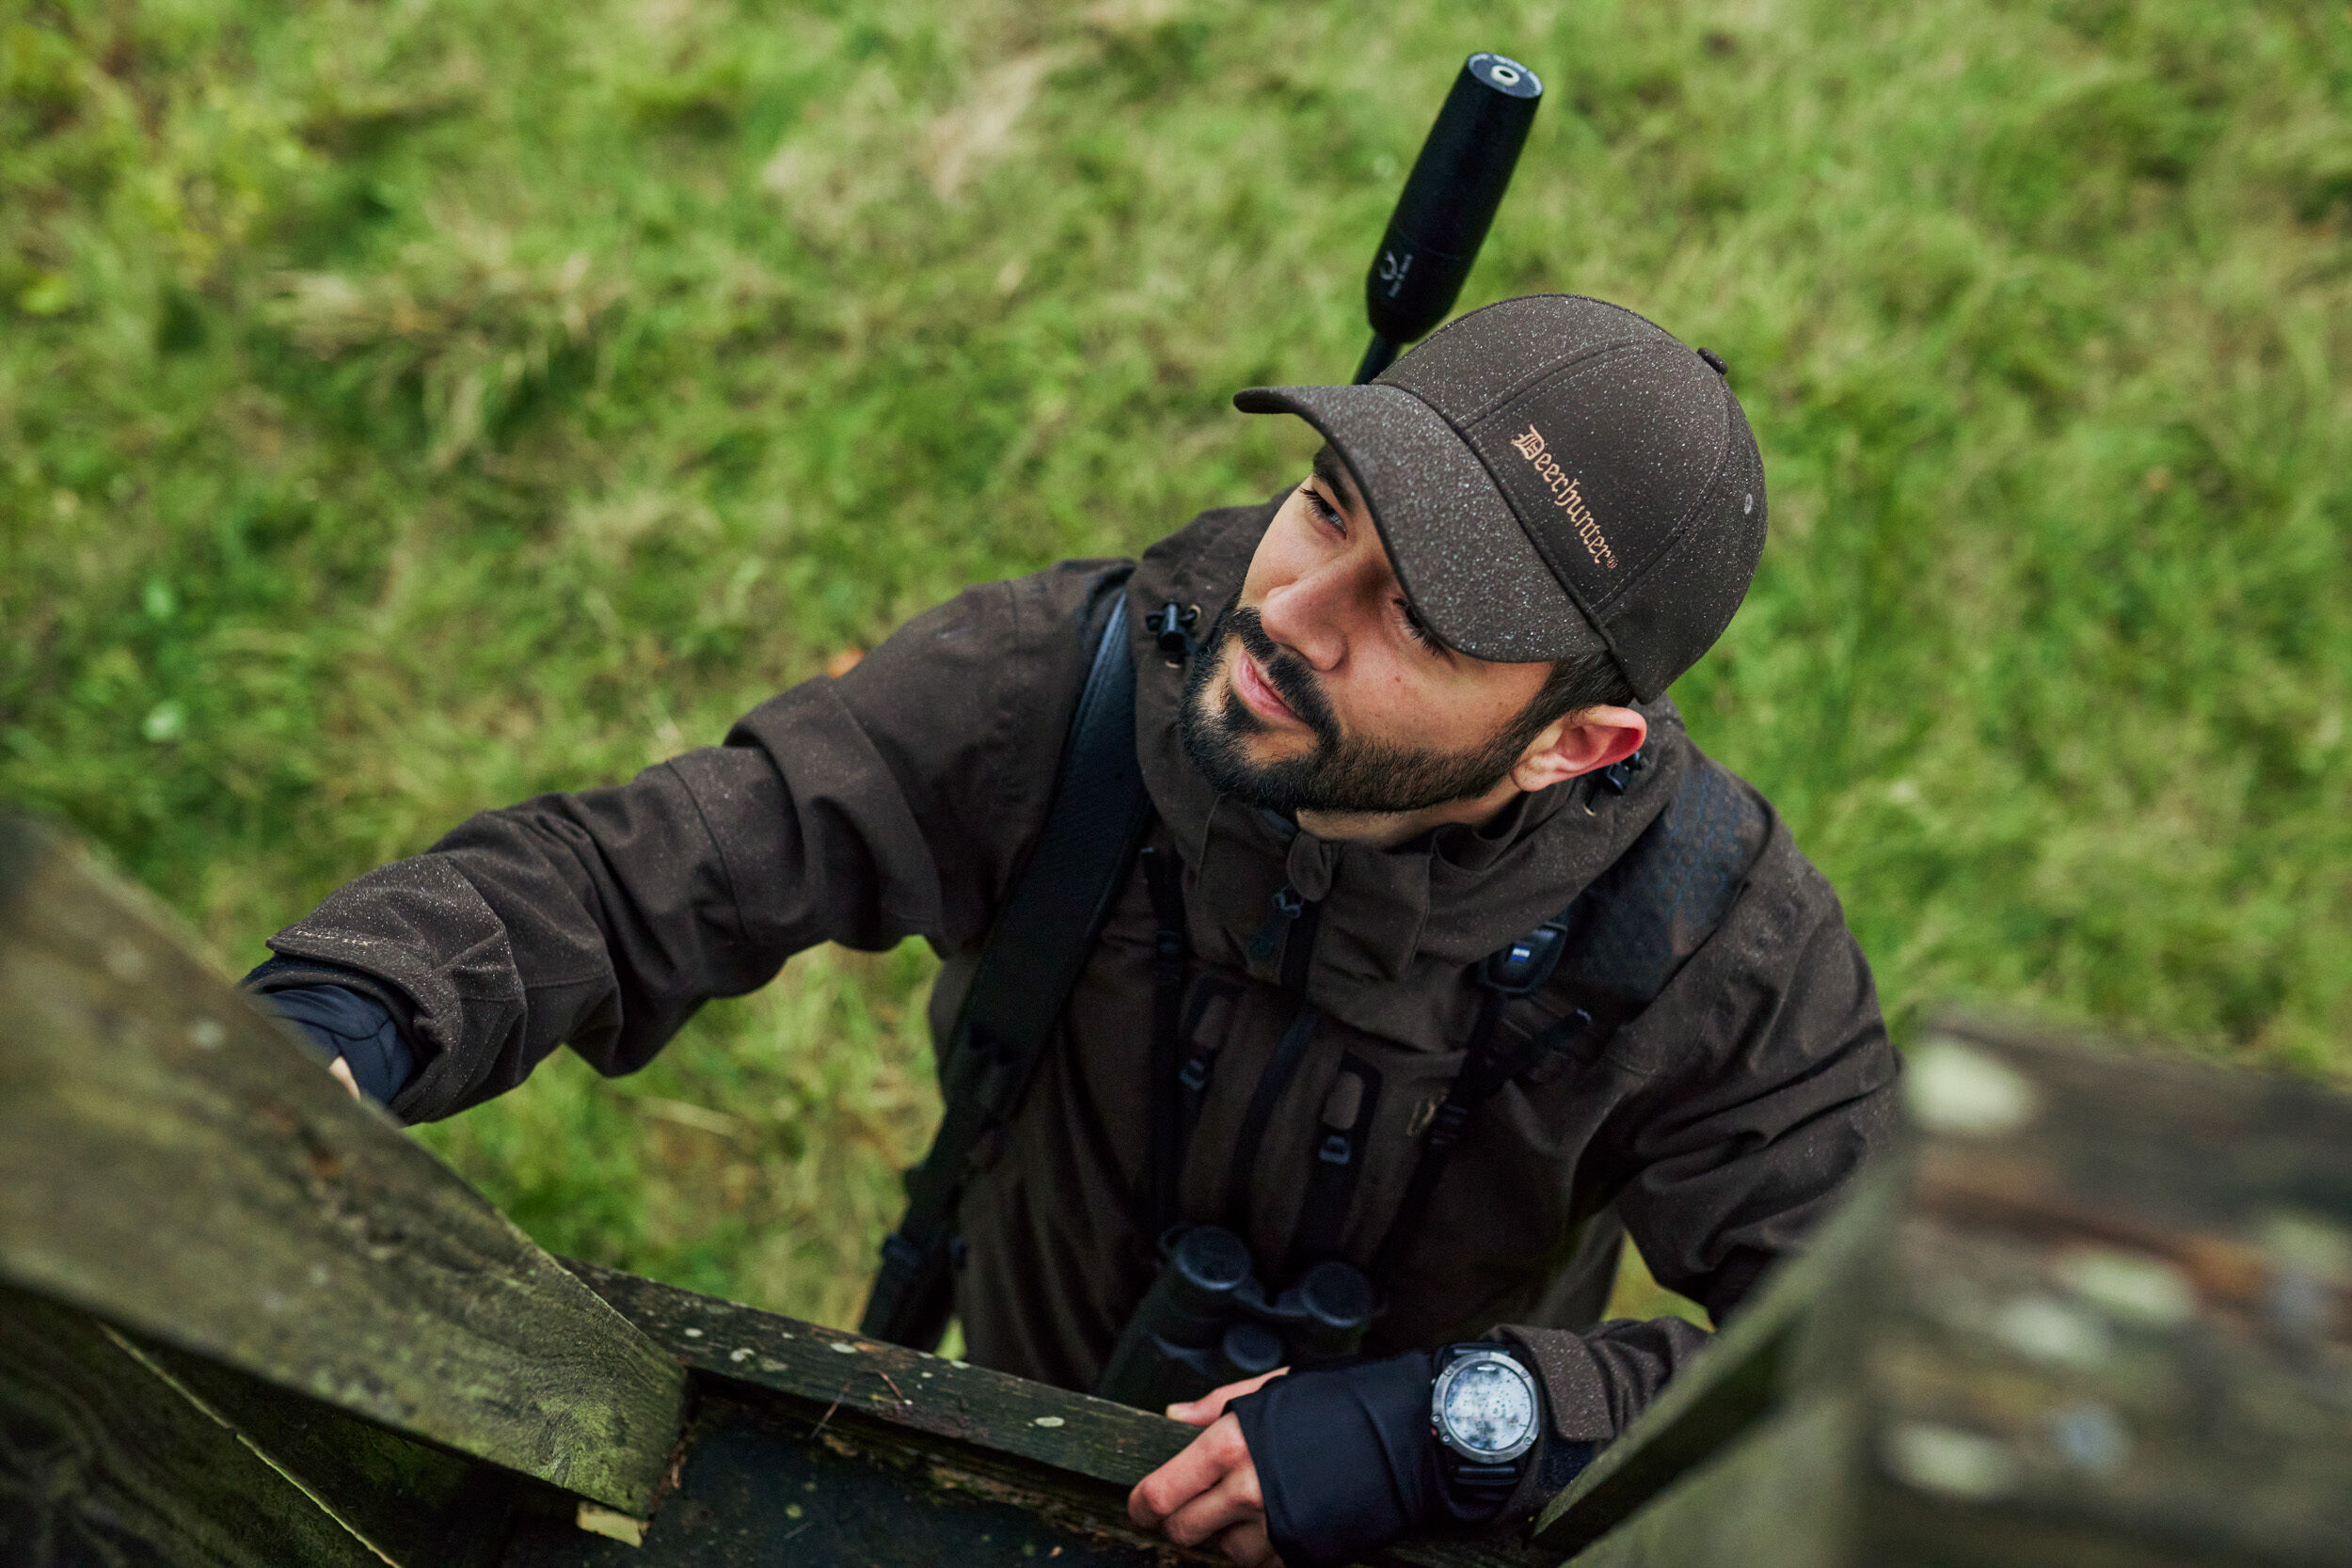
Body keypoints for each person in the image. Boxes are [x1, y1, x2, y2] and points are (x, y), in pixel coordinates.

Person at [246, 294, 1897, 1566]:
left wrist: (1474, 1426)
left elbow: (1865, 1357)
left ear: (1575, 745)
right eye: (1328, 506)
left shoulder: (1721, 943)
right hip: (1005, 1402)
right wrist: (342, 1017)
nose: (1291, 615)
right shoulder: (1080, 688)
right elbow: (646, 871)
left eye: (1418, 611)